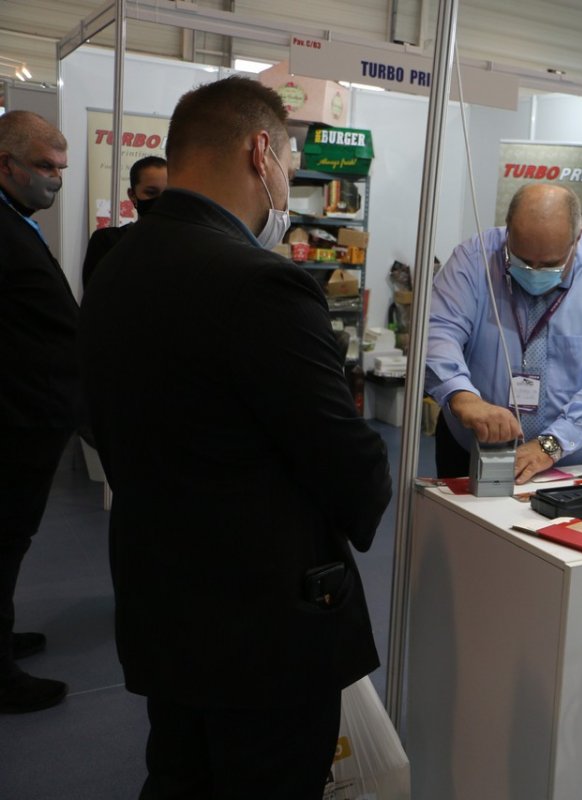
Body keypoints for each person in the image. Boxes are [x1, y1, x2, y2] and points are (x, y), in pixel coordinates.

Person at [78, 77, 392, 799]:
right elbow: (349, 464)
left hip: (160, 594)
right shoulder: (260, 284)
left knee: (179, 773)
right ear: (261, 153)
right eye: (288, 160)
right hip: (263, 624)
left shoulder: (116, 261)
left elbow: (95, 415)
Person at [426, 183, 582, 484]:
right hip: (470, 451)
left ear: (577, 239)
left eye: (549, 264)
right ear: (508, 232)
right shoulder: (474, 259)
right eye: (521, 260)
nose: (533, 271)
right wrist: (462, 396)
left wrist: (551, 445)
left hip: (575, 460)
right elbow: (438, 331)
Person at [0, 111, 76, 714]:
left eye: (61, 168)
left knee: (13, 538)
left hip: (30, 412)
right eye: (45, 167)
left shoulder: (16, 221)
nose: (55, 179)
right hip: (13, 419)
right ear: (7, 165)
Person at [80, 155, 167, 288]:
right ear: (132, 195)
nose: (161, 200)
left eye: (168, 194)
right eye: (151, 192)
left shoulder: (186, 244)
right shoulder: (107, 241)